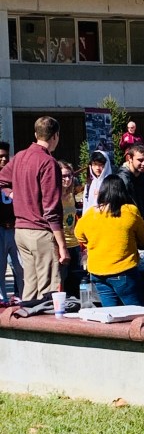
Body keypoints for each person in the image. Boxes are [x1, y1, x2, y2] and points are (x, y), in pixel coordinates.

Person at [0, 116, 69, 300]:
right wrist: (62, 246)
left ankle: (26, 315)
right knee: (48, 292)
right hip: (40, 232)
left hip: (21, 231)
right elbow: (51, 208)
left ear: (36, 134)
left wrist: (11, 194)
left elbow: (1, 179)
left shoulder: (19, 156)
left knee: (30, 286)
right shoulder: (48, 162)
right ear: (55, 136)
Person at [75, 174, 144, 306]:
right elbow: (143, 237)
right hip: (124, 271)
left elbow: (78, 234)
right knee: (136, 312)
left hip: (97, 272)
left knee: (110, 313)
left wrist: (92, 243)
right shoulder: (130, 211)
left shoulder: (91, 213)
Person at [0, 141, 24, 303]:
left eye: (5, 156)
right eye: (0, 156)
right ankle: (2, 300)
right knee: (1, 268)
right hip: (0, 229)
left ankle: (23, 297)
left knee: (20, 267)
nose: (3, 159)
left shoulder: (14, 177)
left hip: (16, 228)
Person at [59, 161, 84, 298]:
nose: (67, 179)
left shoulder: (70, 195)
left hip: (74, 243)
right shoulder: (54, 197)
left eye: (69, 175)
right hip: (61, 245)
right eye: (63, 176)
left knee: (75, 282)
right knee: (62, 284)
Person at [117, 143, 144, 222]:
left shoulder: (143, 177)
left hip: (140, 223)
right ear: (130, 158)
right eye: (140, 160)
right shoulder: (121, 179)